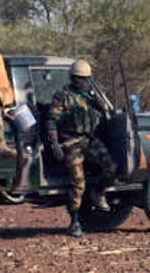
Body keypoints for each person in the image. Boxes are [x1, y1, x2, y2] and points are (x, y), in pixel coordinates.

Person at [44, 60, 116, 238]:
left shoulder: (90, 96)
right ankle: (75, 221)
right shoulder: (63, 96)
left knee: (111, 167)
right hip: (70, 142)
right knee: (78, 183)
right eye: (79, 79)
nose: (82, 82)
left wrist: (95, 94)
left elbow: (106, 109)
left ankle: (98, 192)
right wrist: (55, 145)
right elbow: (51, 121)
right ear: (72, 78)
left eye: (85, 79)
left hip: (89, 140)